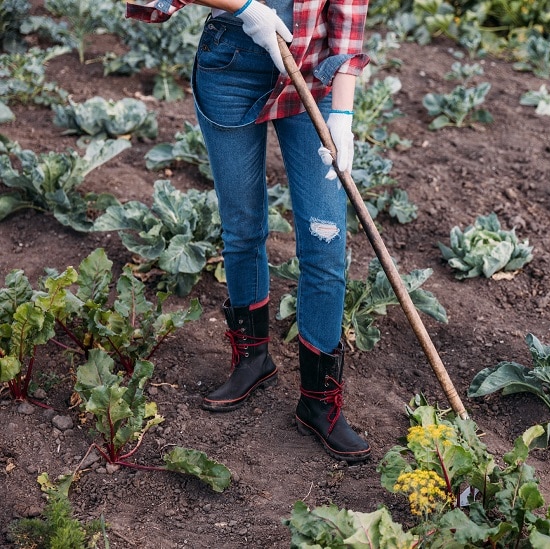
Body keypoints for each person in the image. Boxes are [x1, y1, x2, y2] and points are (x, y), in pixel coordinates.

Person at [126, 0, 371, 463]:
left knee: (325, 244)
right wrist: (245, 7)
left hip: (312, 77)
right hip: (230, 67)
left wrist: (343, 118)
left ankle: (319, 403)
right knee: (242, 228)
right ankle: (253, 360)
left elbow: (347, 31)